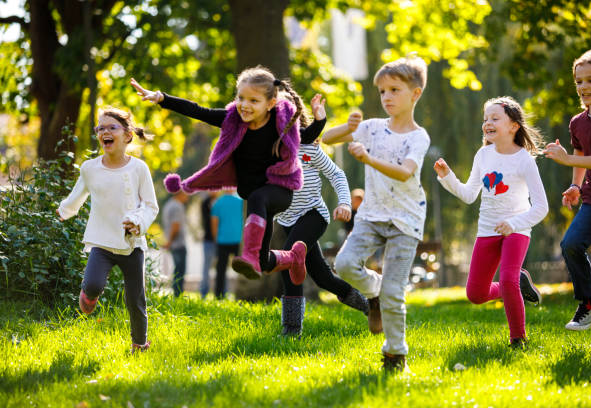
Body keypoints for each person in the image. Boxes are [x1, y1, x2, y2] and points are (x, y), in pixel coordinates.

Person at [130, 66, 323, 285]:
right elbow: (197, 110)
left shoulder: (281, 123)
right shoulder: (233, 119)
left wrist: (320, 120)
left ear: (270, 104)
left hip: (280, 189)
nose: (244, 105)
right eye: (241, 98)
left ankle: (249, 253)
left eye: (253, 101)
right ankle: (293, 258)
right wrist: (161, 98)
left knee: (259, 201)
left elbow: (306, 137)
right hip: (256, 198)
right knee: (262, 262)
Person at [322, 56, 431, 372]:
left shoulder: (418, 137)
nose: (387, 98)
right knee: (343, 264)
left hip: (406, 220)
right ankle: (374, 292)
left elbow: (404, 173)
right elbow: (327, 138)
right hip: (371, 215)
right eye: (382, 91)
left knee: (395, 294)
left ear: (415, 94)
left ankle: (395, 354)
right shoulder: (370, 128)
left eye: (395, 90)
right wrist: (349, 127)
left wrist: (367, 159)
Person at [433, 96, 548, 350]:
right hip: (487, 230)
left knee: (507, 279)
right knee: (476, 295)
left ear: (513, 126)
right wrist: (448, 177)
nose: (488, 123)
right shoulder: (483, 155)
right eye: (485, 119)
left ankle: (518, 339)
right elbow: (469, 194)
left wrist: (514, 223)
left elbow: (542, 207)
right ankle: (520, 282)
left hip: (517, 230)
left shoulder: (524, 160)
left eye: (495, 118)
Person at [57, 106, 158, 353]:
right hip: (101, 242)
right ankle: (89, 295)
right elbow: (77, 195)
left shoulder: (138, 169)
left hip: (132, 245)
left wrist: (138, 222)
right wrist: (64, 211)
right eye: (100, 128)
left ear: (127, 135)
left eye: (111, 127)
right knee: (91, 284)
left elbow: (150, 205)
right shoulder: (90, 168)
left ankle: (139, 344)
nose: (105, 132)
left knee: (135, 299)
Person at [272, 97, 369, 337]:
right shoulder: (269, 152)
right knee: (323, 278)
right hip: (288, 220)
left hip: (314, 214)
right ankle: (371, 306)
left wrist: (345, 202)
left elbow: (336, 174)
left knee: (289, 261)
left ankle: (291, 330)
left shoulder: (309, 150)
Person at [543, 49, 591, 331]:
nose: (584, 87)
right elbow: (581, 149)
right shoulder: (577, 122)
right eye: (579, 82)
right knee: (571, 244)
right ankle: (589, 304)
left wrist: (570, 160)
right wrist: (575, 183)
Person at [211, 189, 243, 298]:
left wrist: (216, 239)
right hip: (238, 240)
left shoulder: (217, 202)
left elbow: (214, 223)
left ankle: (218, 296)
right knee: (242, 269)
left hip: (222, 240)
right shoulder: (241, 201)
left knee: (221, 270)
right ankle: (241, 294)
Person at [162, 190, 189, 297]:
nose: (187, 196)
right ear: (180, 193)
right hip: (178, 244)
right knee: (179, 271)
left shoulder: (168, 205)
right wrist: (170, 241)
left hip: (173, 243)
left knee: (177, 270)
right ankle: (178, 295)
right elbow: (175, 226)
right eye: (186, 193)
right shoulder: (177, 206)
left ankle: (177, 294)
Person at [200, 191, 220, 298]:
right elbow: (207, 220)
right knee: (206, 267)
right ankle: (204, 292)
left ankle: (220, 292)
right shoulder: (205, 203)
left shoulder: (220, 202)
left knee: (221, 267)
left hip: (221, 240)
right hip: (208, 240)